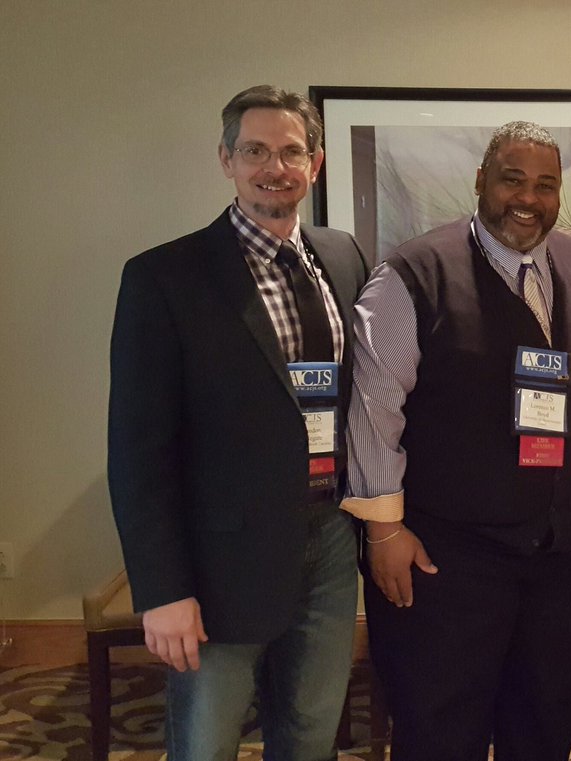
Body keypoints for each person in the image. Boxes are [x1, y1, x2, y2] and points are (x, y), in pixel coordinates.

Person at [341, 121, 571, 761]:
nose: (528, 197)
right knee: (441, 731)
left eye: (546, 185)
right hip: (449, 561)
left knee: (545, 726)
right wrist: (384, 530)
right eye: (513, 179)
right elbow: (374, 408)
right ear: (481, 181)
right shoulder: (413, 273)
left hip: (565, 561)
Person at [108, 85, 369, 760]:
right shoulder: (166, 277)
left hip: (331, 539)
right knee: (205, 743)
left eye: (289, 151)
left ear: (314, 165)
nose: (272, 166)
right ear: (226, 160)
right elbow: (138, 452)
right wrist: (162, 590)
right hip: (220, 557)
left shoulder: (344, 258)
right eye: (254, 150)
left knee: (312, 734)